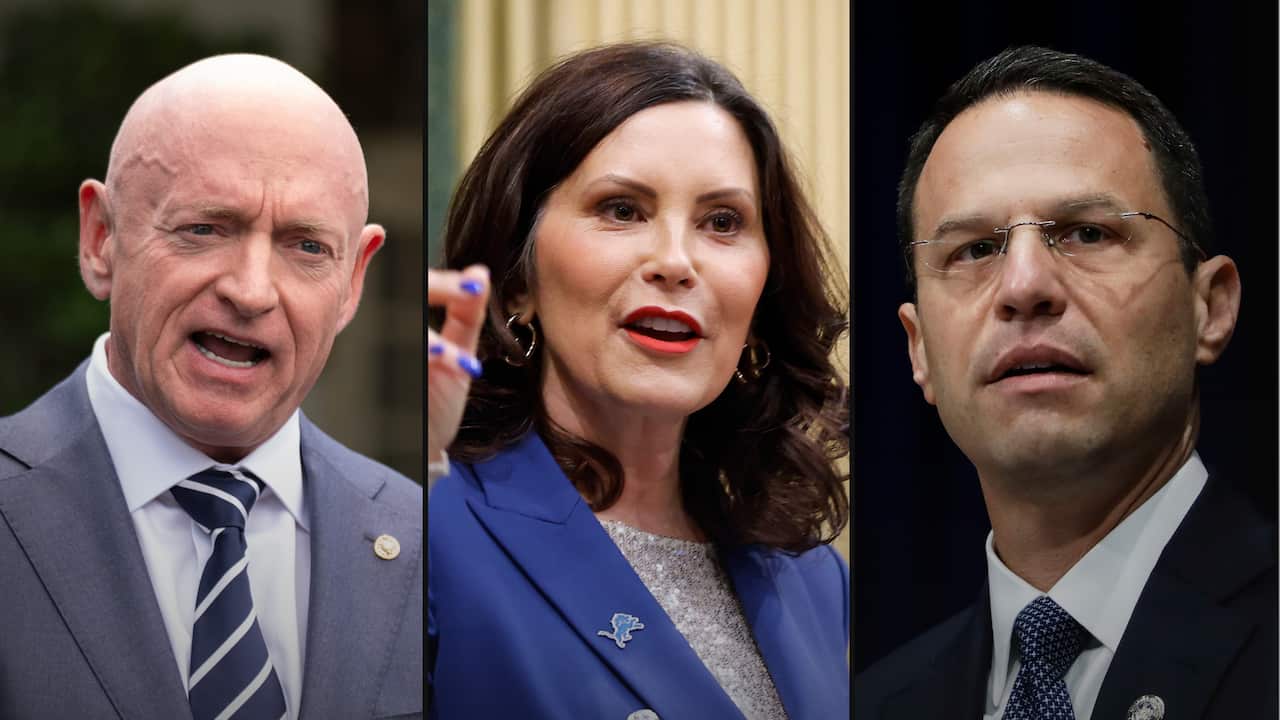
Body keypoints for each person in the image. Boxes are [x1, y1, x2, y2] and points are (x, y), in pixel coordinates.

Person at [427, 42, 850, 719]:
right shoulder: (433, 529)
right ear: (516, 280)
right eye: (622, 209)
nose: (676, 262)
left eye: (722, 222)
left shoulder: (812, 578)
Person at [855, 46, 1275, 719]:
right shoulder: (875, 702)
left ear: (1211, 307)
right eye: (977, 249)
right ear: (919, 349)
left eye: (1086, 232)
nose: (1024, 287)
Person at [0, 54, 422, 719]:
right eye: (203, 229)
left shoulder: (426, 543)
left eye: (306, 246)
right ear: (101, 237)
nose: (251, 291)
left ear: (353, 282)